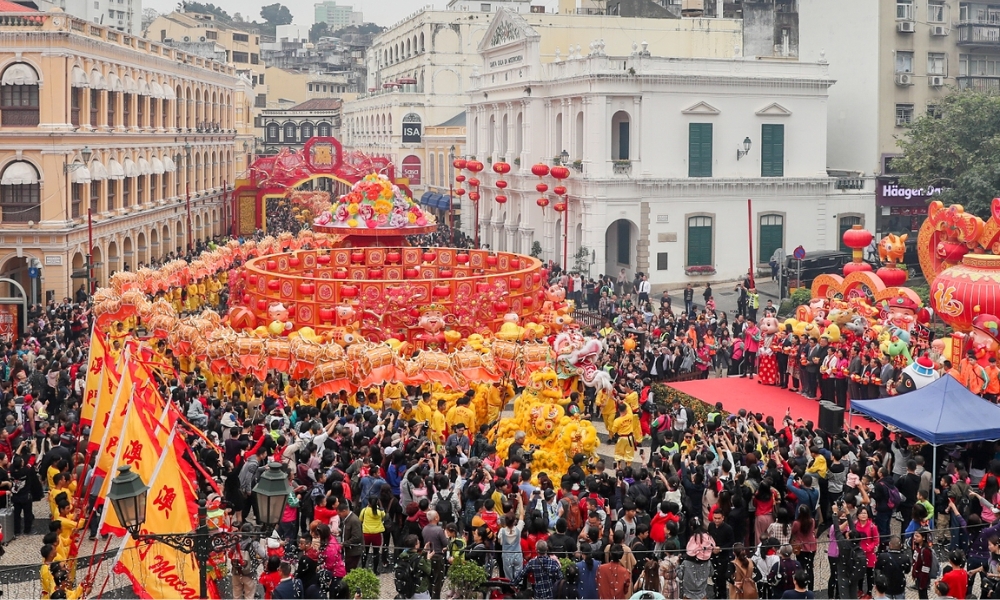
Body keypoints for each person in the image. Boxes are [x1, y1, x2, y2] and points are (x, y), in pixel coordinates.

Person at [397, 534, 433, 600]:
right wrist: (428, 559)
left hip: (407, 588)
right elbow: (428, 570)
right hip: (419, 591)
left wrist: (424, 551)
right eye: (418, 542)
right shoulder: (418, 560)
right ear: (416, 545)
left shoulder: (403, 555)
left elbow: (415, 561)